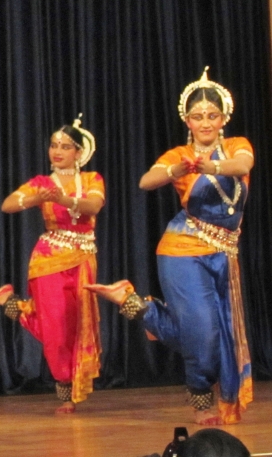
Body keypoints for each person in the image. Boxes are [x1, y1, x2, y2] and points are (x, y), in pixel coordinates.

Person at [88, 68, 253, 426]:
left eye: (212, 115)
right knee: (206, 335)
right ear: (187, 121)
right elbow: (147, 181)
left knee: (215, 333)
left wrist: (212, 165)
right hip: (181, 250)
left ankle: (139, 307)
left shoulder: (237, 146)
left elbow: (244, 165)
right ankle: (200, 402)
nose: (205, 122)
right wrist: (177, 169)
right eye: (197, 117)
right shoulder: (179, 153)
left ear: (223, 117)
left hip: (224, 254)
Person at [0, 116, 104, 413]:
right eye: (53, 145)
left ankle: (11, 302)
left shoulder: (92, 179)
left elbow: (93, 206)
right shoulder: (41, 183)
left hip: (82, 258)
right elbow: (7, 204)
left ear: (79, 153)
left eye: (65, 146)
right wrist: (33, 200)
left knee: (77, 324)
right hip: (48, 259)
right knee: (55, 327)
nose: (57, 151)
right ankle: (66, 393)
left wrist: (64, 199)